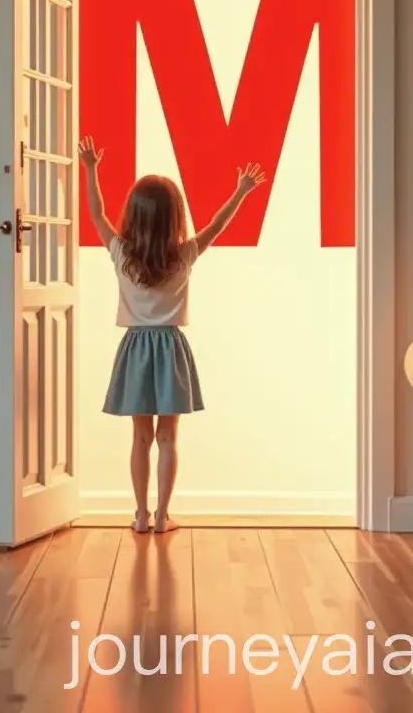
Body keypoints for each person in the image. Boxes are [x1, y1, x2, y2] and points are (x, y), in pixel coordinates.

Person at [78, 136, 266, 534]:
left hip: (134, 348)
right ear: (175, 217)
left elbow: (96, 213)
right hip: (170, 348)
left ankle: (140, 515)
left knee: (140, 437)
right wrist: (241, 192)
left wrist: (91, 168)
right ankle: (163, 516)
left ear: (133, 215)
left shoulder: (121, 253)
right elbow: (217, 225)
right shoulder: (184, 255)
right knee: (167, 437)